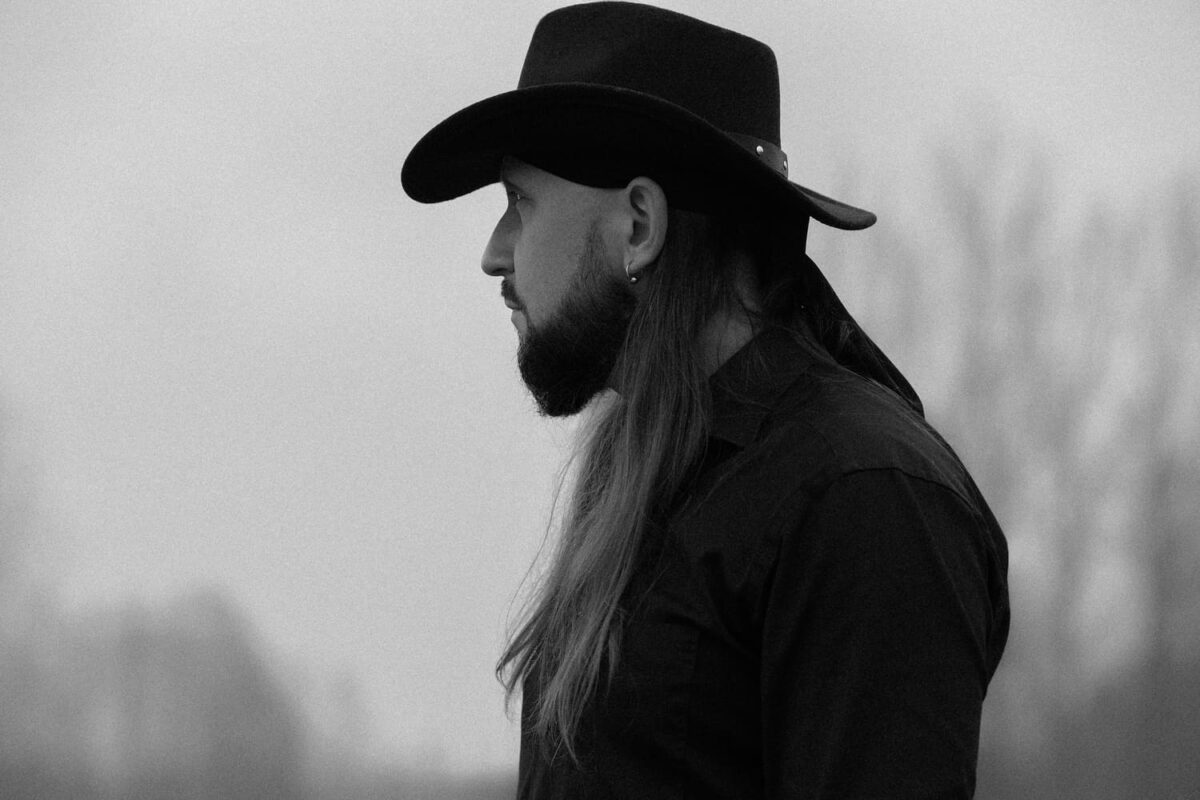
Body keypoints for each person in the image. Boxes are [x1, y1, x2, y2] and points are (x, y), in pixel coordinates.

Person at [402, 3, 1010, 798]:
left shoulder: (862, 494)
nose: (495, 254)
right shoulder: (650, 478)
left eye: (520, 202)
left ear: (639, 226)